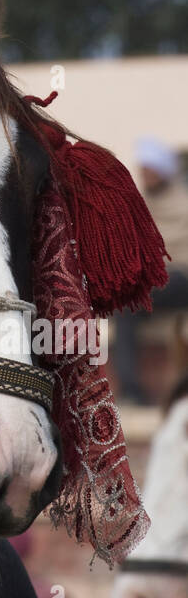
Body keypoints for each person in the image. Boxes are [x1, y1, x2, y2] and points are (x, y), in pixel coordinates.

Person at [113, 136, 188, 404]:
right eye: (142, 170)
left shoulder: (182, 204)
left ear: (162, 171)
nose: (145, 175)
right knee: (124, 304)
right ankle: (131, 392)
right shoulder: (141, 205)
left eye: (149, 170)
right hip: (156, 281)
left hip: (181, 278)